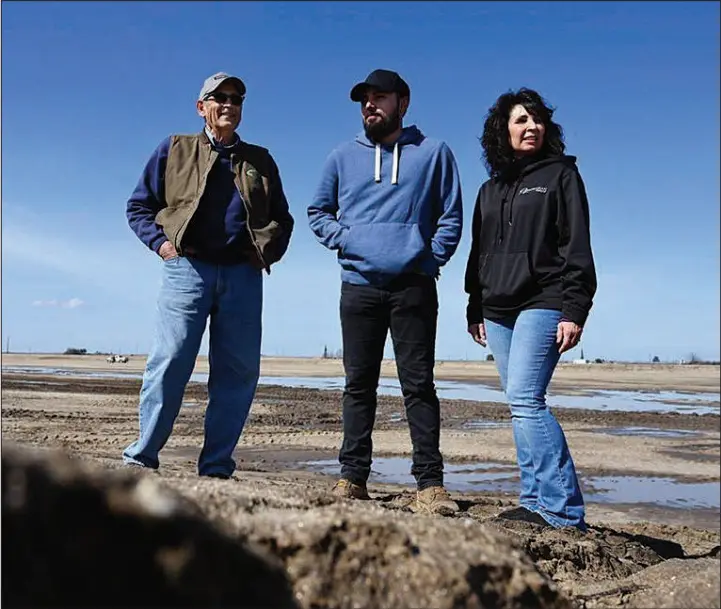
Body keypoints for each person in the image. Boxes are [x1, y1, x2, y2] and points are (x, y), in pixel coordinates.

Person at [123, 72, 294, 479]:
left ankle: (216, 468)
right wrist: (163, 247)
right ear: (202, 107)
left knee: (237, 372)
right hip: (187, 269)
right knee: (169, 363)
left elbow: (282, 218)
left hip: (243, 277)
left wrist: (265, 252)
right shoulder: (175, 148)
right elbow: (138, 207)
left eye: (236, 99)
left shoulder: (260, 160)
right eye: (220, 98)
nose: (229, 105)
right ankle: (141, 459)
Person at [307, 69, 464, 515]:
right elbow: (318, 211)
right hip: (358, 286)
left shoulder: (434, 153)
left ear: (403, 101)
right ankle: (352, 478)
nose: (370, 106)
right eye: (364, 100)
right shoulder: (342, 156)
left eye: (379, 98)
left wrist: (428, 259)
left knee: (419, 386)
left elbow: (451, 214)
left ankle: (430, 486)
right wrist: (348, 241)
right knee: (358, 385)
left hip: (413, 286)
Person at [464, 87, 597, 530]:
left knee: (526, 399)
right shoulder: (489, 189)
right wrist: (474, 306)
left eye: (537, 120)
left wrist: (575, 308)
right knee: (517, 402)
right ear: (503, 129)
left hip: (544, 299)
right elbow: (477, 249)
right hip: (497, 308)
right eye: (521, 120)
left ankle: (562, 510)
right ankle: (534, 499)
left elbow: (576, 245)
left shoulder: (561, 176)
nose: (531, 127)